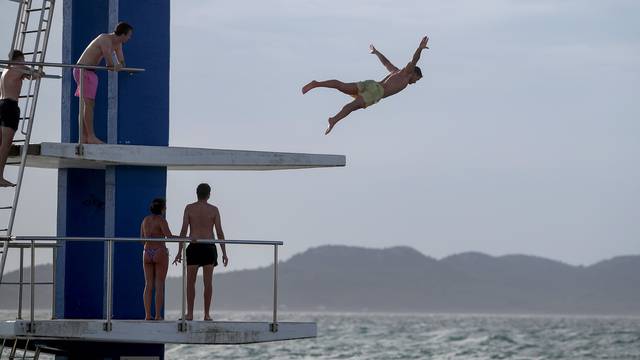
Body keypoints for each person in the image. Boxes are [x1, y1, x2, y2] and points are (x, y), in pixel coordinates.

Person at [302, 35, 430, 135]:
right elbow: (414, 60)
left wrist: (376, 52)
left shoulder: (396, 71)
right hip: (377, 92)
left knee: (342, 86)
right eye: (416, 79)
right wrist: (420, 48)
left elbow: (386, 63)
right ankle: (333, 120)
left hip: (372, 84)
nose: (414, 83)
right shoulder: (406, 73)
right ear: (413, 73)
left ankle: (317, 84)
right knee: (352, 107)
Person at [173, 183, 229, 321]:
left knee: (190, 282)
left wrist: (179, 251)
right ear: (209, 194)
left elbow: (183, 231)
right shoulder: (214, 210)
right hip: (209, 246)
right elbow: (220, 232)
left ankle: (190, 314)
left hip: (194, 246)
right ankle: (206, 314)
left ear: (196, 193)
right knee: (208, 283)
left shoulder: (189, 208)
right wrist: (224, 252)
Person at [74, 21, 133, 144]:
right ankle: (90, 136)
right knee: (88, 104)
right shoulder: (105, 38)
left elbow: (121, 62)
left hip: (90, 72)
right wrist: (115, 66)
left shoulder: (118, 44)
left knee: (87, 104)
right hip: (83, 70)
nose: (129, 38)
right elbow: (109, 62)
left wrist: (119, 65)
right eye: (129, 35)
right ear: (123, 34)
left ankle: (84, 137)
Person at [0, 50, 41, 187]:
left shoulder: (6, 70)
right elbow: (38, 74)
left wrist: (26, 73)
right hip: (10, 107)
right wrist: (30, 70)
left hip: (1, 104)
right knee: (5, 145)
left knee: (1, 144)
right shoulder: (19, 68)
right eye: (23, 60)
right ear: (18, 60)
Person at [140, 198, 173, 320]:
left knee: (148, 285)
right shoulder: (161, 220)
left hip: (146, 252)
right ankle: (158, 315)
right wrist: (185, 237)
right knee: (159, 284)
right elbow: (169, 236)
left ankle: (148, 315)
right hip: (159, 251)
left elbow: (142, 239)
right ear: (163, 209)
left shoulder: (145, 220)